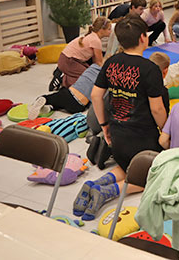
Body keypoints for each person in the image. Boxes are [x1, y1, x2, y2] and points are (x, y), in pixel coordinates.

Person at [72, 15, 167, 221]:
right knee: (150, 177)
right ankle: (107, 192)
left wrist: (105, 124)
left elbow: (96, 96)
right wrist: (167, 131)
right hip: (143, 140)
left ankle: (95, 184)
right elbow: (158, 110)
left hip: (117, 135)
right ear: (143, 37)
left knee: (127, 165)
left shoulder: (111, 62)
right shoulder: (150, 69)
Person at [29, 63, 101, 119]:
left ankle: (41, 100)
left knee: (51, 97)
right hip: (79, 107)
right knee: (61, 103)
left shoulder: (93, 67)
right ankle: (51, 107)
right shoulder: (103, 77)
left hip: (69, 96)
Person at [56, 16, 112, 88]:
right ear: (101, 30)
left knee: (89, 72)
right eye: (109, 29)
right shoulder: (96, 41)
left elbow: (95, 63)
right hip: (68, 61)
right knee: (87, 77)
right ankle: (65, 84)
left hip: (67, 59)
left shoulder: (92, 36)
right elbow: (99, 63)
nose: (111, 31)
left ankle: (64, 81)